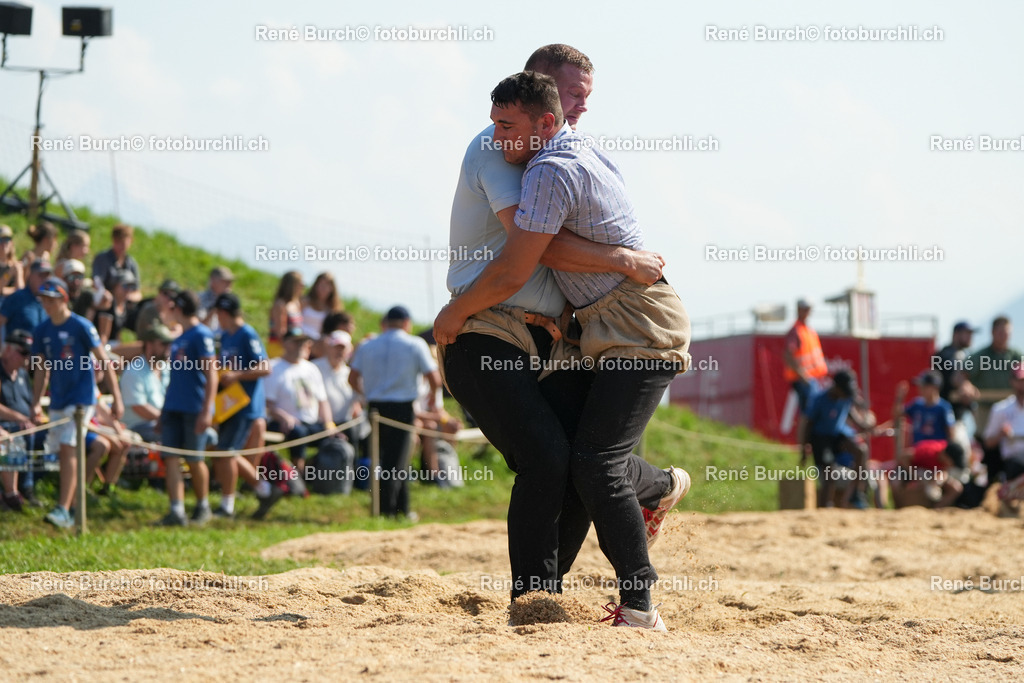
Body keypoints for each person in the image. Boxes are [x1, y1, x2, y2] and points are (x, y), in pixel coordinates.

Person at [433, 46, 685, 623]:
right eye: (571, 94)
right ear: (538, 93)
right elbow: (527, 252)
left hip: (573, 333)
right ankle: (541, 598)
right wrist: (623, 258)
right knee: (556, 458)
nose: (579, 108)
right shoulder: (503, 149)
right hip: (490, 326)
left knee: (584, 461)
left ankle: (562, 591)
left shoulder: (562, 153)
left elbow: (539, 247)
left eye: (584, 98)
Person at [31, 277, 124, 529]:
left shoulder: (81, 326)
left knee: (68, 446)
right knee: (62, 452)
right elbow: (41, 370)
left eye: (50, 299)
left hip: (82, 400)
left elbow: (105, 361)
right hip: (59, 400)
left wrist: (117, 397)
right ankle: (70, 506)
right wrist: (36, 402)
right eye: (43, 299)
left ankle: (63, 508)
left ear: (63, 299)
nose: (46, 304)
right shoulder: (41, 331)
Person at [349, 306, 441, 518]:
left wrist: (364, 396)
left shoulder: (367, 346)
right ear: (407, 323)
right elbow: (434, 378)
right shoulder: (415, 344)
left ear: (386, 322)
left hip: (375, 408)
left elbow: (352, 379)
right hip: (403, 408)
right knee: (397, 461)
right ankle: (388, 510)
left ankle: (401, 508)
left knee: (385, 459)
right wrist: (432, 398)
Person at [211, 292, 278, 520]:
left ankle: (229, 505)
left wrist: (237, 375)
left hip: (245, 406)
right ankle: (264, 490)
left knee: (227, 453)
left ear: (223, 312)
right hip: (230, 405)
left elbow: (265, 367)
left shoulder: (246, 333)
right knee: (225, 452)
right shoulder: (227, 336)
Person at [158, 290, 218, 527]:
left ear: (179, 308)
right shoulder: (181, 337)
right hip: (174, 406)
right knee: (171, 458)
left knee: (195, 458)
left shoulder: (201, 334)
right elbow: (174, 377)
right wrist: (164, 411)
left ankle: (203, 506)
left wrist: (207, 410)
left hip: (194, 407)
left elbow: (211, 374)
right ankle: (177, 511)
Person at [801, 370, 875, 509]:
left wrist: (864, 426)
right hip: (820, 438)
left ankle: (857, 494)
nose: (846, 395)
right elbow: (808, 424)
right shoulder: (820, 400)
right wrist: (804, 448)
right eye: (844, 391)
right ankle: (824, 507)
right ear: (836, 387)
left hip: (838, 434)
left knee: (861, 451)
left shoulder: (846, 397)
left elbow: (851, 414)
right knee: (829, 472)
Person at [265, 327, 332, 475]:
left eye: (303, 342)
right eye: (296, 342)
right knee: (299, 433)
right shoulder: (274, 367)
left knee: (334, 437)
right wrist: (283, 416)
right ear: (285, 344)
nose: (301, 346)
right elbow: (268, 404)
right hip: (284, 422)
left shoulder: (311, 368)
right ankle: (297, 477)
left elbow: (323, 401)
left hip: (311, 422)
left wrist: (329, 423)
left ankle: (317, 474)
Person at [968, 316, 1024, 483]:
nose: (1004, 336)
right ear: (993, 333)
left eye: (1007, 332)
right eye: (1000, 332)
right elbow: (961, 376)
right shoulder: (980, 356)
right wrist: (966, 385)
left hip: (1014, 406)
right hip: (988, 410)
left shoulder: (1016, 355)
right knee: (989, 448)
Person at [0, 330, 46, 510]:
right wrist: (20, 418)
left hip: (27, 426)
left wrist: (35, 413)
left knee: (56, 439)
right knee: (16, 437)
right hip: (7, 427)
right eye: (24, 353)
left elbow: (30, 404)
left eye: (30, 354)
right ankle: (20, 490)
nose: (27, 359)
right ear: (9, 350)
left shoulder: (22, 375)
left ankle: (29, 485)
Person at [314, 329, 367, 449]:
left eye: (343, 348)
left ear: (349, 351)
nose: (339, 352)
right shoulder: (314, 368)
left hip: (344, 423)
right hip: (319, 423)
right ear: (328, 347)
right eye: (336, 347)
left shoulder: (350, 374)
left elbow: (360, 401)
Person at [120, 325, 173, 444]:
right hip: (137, 427)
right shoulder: (133, 371)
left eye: (170, 344)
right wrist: (168, 419)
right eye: (164, 344)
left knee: (204, 435)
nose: (169, 348)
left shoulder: (166, 368)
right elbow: (139, 407)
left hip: (160, 422)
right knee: (175, 435)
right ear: (149, 345)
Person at [784, 298, 830, 411]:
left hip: (813, 378)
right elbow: (787, 355)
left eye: (808, 309)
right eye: (804, 309)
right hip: (803, 379)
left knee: (814, 409)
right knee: (809, 411)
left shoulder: (809, 331)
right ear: (799, 310)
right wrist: (802, 375)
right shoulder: (796, 331)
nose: (807, 312)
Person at [893, 370, 956, 447]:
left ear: (934, 387)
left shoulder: (943, 407)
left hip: (936, 452)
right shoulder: (917, 404)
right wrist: (899, 398)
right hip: (917, 450)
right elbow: (897, 414)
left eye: (924, 386)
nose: (920, 388)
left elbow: (951, 433)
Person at [91, 223, 142, 303]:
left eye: (123, 243)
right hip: (105, 301)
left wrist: (125, 296)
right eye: (117, 242)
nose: (119, 246)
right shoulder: (103, 259)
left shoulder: (132, 264)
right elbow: (96, 283)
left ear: (131, 241)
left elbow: (137, 293)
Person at [0, 259, 51, 336]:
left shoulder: (48, 302)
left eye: (46, 276)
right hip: (18, 345)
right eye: (41, 275)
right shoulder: (17, 297)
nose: (44, 280)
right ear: (30, 275)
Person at [301, 272, 342, 345]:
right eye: (321, 284)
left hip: (318, 345)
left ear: (332, 288)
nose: (323, 288)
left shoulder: (333, 310)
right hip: (299, 339)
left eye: (327, 285)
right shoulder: (305, 302)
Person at [268, 271, 304, 349]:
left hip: (295, 348)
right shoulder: (280, 304)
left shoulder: (296, 303)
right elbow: (280, 332)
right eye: (299, 283)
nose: (302, 286)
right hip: (279, 348)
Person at [198, 266, 235, 332]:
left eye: (230, 282)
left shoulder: (231, 302)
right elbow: (198, 326)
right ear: (213, 280)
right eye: (225, 281)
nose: (229, 285)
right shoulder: (200, 299)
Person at [0, 224, 24, 298]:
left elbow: (20, 290)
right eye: (1, 240)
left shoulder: (15, 265)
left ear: (11, 243)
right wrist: (9, 273)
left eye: (7, 239)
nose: (4, 243)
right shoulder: (12, 268)